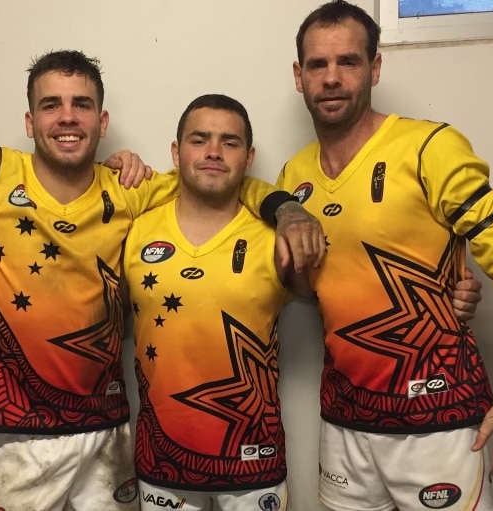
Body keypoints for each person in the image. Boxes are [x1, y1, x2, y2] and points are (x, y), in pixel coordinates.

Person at [0, 50, 326, 510]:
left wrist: (284, 208)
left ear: (101, 119)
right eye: (51, 105)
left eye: (81, 105)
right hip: (17, 439)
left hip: (110, 433)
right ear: (29, 121)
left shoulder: (132, 191)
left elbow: (221, 179)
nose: (67, 118)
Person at [276, 2, 493, 510]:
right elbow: (311, 287)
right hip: (343, 426)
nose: (331, 78)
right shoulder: (293, 178)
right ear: (298, 76)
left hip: (442, 425)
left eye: (347, 62)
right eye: (317, 65)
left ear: (374, 68)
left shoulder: (429, 147)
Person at [124, 93, 314, 511]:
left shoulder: (279, 235)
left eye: (229, 142)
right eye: (199, 139)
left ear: (249, 157)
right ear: (176, 152)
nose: (213, 152)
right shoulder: (134, 230)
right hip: (161, 462)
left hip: (254, 463)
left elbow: (344, 294)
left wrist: (453, 292)